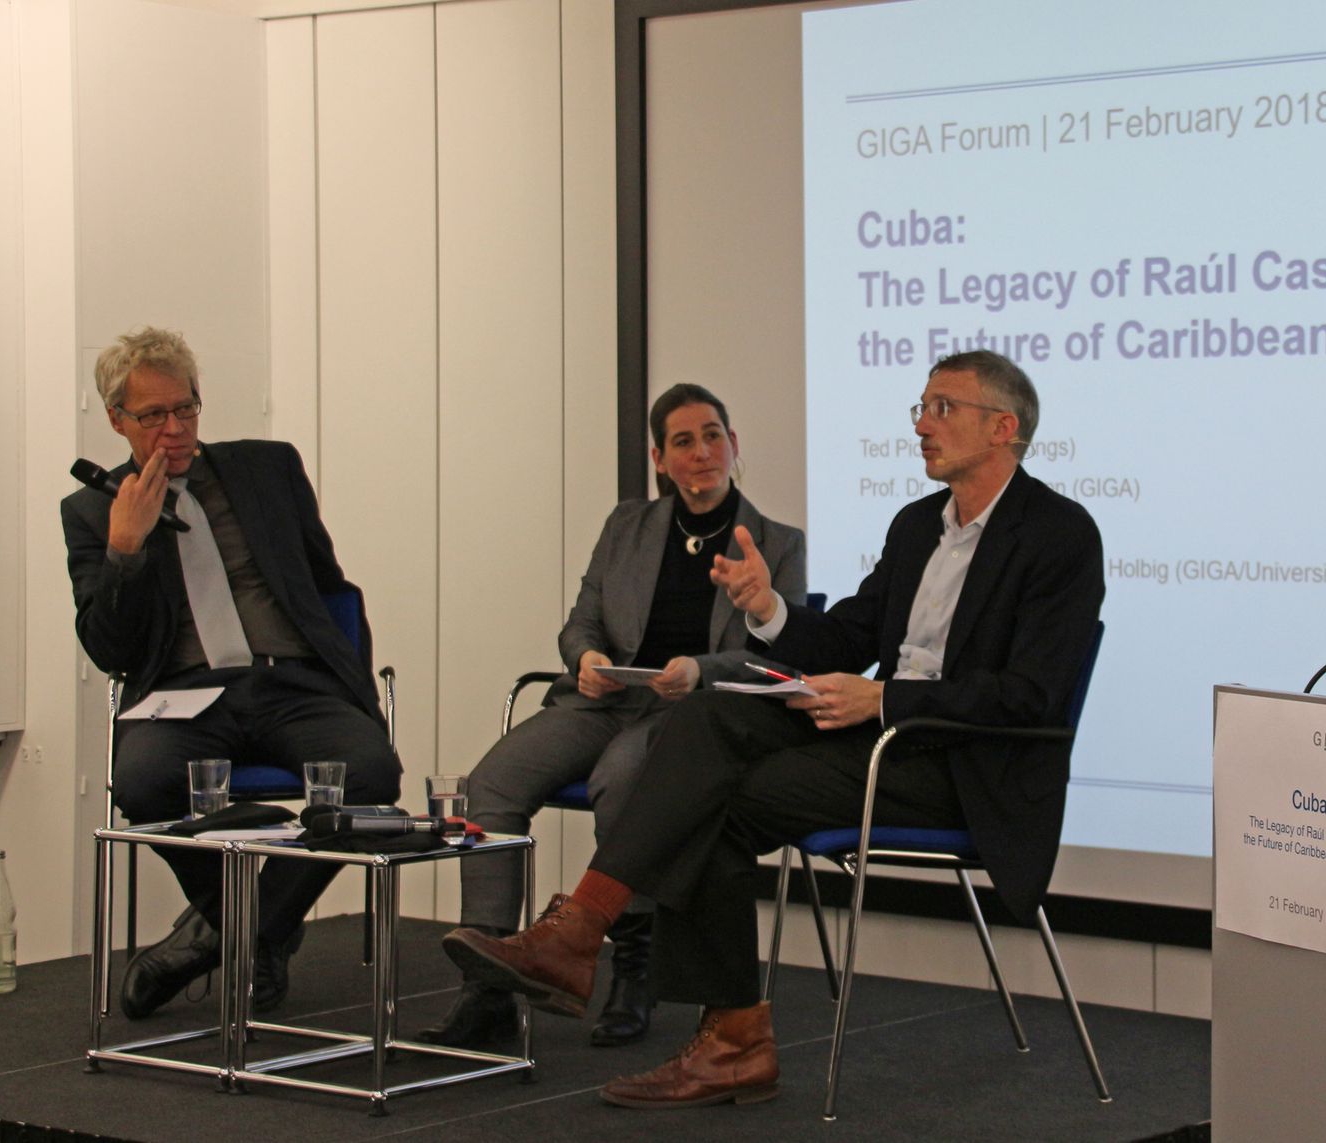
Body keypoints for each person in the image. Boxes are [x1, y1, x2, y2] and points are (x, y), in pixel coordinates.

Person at [443, 350, 1105, 1108]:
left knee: (714, 796)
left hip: (963, 767)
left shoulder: (1059, 534)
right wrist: (767, 608)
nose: (921, 425)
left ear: (1003, 427)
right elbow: (846, 635)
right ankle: (630, 966)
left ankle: (679, 1003)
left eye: (942, 407)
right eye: (919, 407)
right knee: (711, 717)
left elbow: (1032, 696)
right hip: (881, 742)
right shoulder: (919, 524)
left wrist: (883, 703)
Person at [417, 384, 806, 1050]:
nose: (702, 451)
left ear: (734, 445)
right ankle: (489, 987)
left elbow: (777, 660)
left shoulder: (778, 543)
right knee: (493, 783)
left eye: (714, 434)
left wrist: (700, 670)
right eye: (683, 441)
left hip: (691, 716)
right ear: (659, 457)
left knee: (624, 780)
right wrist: (587, 654)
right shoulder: (627, 525)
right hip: (605, 697)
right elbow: (581, 620)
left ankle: (632, 966)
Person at [61, 326, 400, 1017]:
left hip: (290, 681)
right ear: (116, 419)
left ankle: (218, 935)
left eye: (186, 408)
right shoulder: (94, 509)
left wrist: (336, 665)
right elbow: (109, 649)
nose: (174, 429)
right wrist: (125, 549)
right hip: (184, 693)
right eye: (153, 415)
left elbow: (322, 582)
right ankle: (260, 935)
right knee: (143, 780)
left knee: (370, 775)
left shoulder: (266, 469)